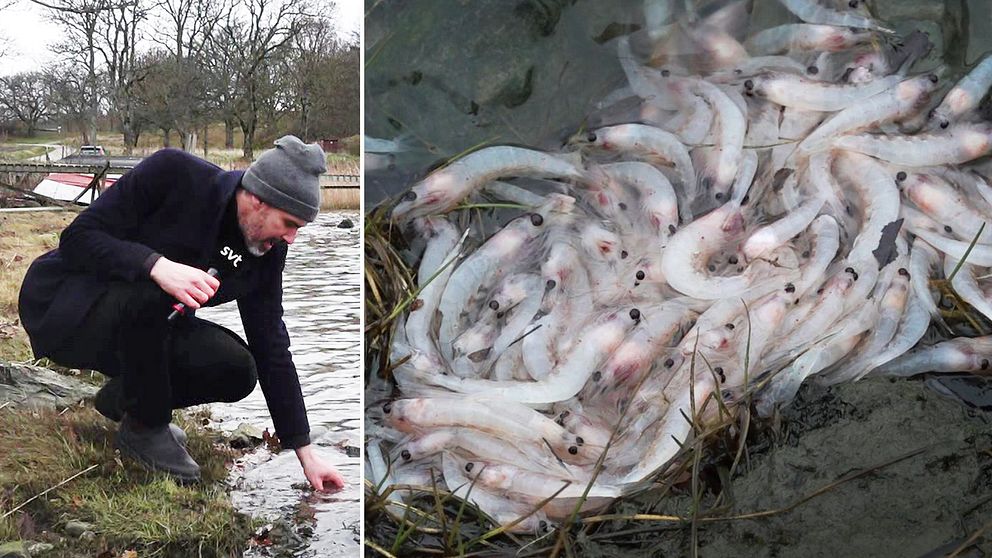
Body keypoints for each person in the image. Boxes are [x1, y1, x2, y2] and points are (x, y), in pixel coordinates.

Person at [18, 135, 345, 490]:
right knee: (156, 289)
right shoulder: (174, 174)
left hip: (142, 328)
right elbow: (78, 238)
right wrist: (155, 265)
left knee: (238, 369)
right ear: (257, 199)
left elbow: (272, 345)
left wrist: (304, 449)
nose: (292, 238)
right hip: (64, 308)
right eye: (289, 223)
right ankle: (147, 427)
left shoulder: (268, 253)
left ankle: (128, 402)